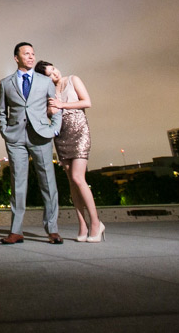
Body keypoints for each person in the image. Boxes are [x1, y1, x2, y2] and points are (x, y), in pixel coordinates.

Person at [0, 42, 63, 244]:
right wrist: (4, 131)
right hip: (15, 138)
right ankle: (16, 231)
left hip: (41, 136)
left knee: (48, 184)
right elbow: (1, 111)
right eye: (26, 54)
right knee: (18, 184)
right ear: (16, 58)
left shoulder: (45, 82)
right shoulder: (5, 83)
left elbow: (56, 106)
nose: (31, 57)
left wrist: (54, 129)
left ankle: (52, 230)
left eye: (33, 54)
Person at [34, 60, 105, 242]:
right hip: (61, 135)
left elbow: (86, 102)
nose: (55, 74)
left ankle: (96, 223)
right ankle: (82, 224)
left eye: (54, 69)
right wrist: (50, 109)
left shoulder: (73, 79)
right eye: (49, 74)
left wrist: (62, 105)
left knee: (78, 177)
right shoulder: (49, 92)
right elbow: (47, 113)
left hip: (79, 130)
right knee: (71, 183)